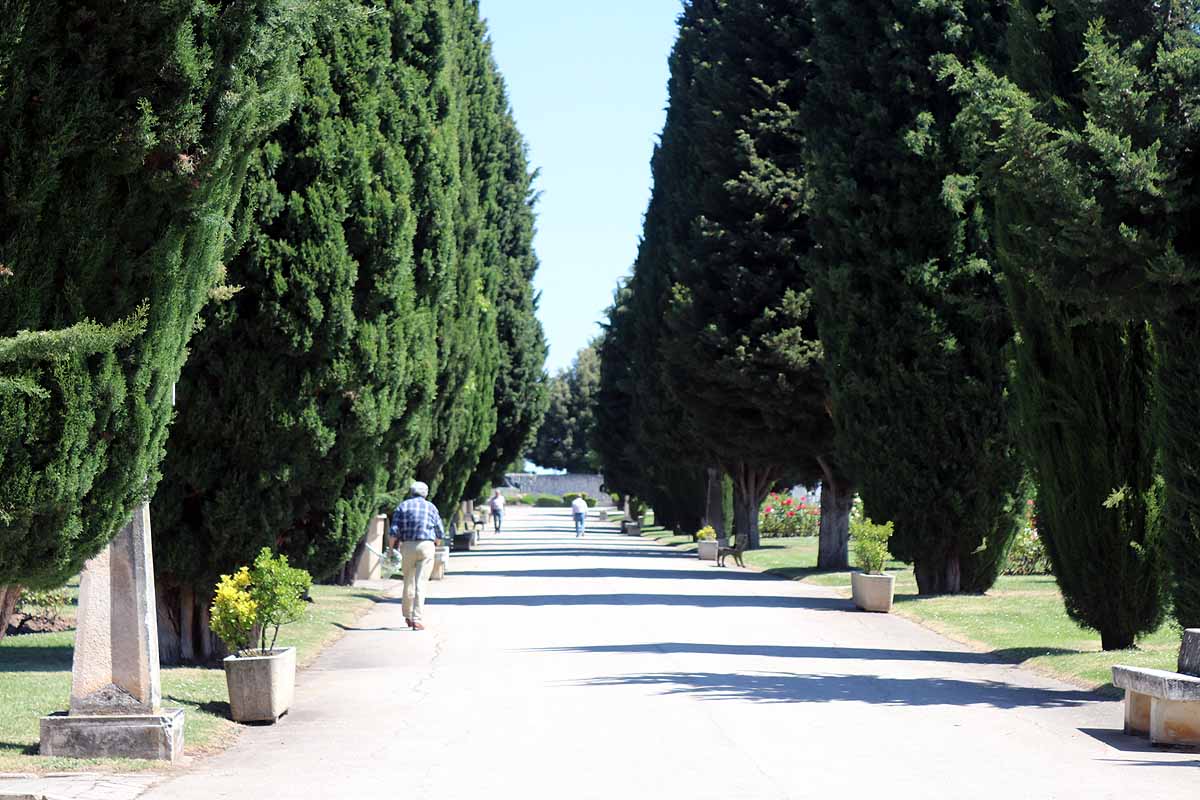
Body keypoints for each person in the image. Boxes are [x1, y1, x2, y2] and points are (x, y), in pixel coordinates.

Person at [389, 481, 444, 631]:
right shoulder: (431, 507)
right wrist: (436, 543)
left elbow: (394, 531)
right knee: (421, 583)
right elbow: (439, 531)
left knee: (408, 581)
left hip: (407, 546)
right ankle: (417, 619)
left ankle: (407, 615)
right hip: (426, 545)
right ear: (425, 493)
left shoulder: (403, 506)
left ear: (411, 492)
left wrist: (390, 549)